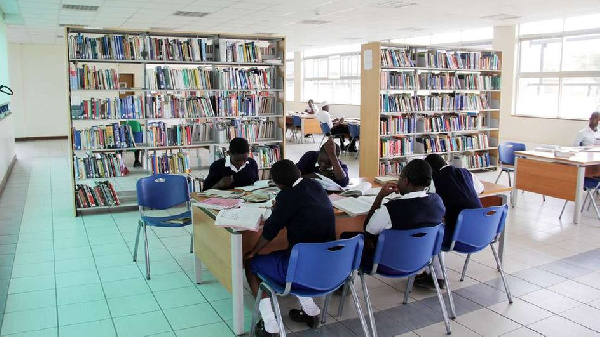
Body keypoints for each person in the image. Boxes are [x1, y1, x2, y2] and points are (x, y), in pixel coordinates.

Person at [244, 159, 336, 336]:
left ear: (278, 185)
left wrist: (253, 251)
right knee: (292, 255)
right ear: (299, 173)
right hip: (329, 265)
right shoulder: (316, 186)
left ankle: (270, 325)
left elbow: (270, 231)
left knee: (251, 264)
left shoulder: (287, 196)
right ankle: (311, 312)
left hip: (302, 267)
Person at [341, 159, 446, 280]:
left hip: (386, 264)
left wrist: (380, 197)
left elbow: (369, 229)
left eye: (400, 177)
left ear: (405, 181)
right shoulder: (437, 201)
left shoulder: (391, 209)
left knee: (347, 236)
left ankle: (344, 284)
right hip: (422, 260)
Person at [411, 154, 484, 289]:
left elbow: (426, 200)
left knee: (431, 232)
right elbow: (480, 189)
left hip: (460, 236)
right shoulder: (465, 173)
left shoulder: (435, 181)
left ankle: (437, 277)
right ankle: (430, 272)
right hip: (482, 233)